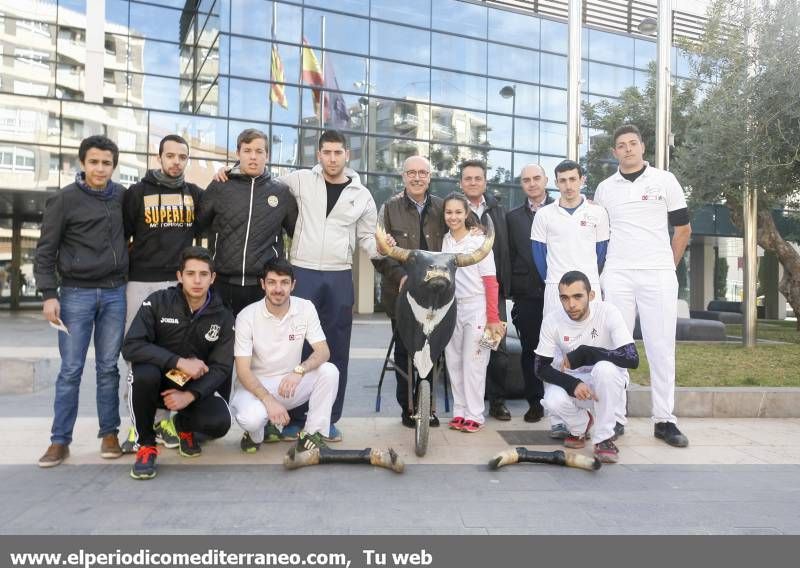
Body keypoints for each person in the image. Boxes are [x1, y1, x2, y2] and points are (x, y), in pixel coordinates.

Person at [594, 124, 692, 447]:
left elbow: (683, 230)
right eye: (621, 145)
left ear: (642, 147)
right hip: (618, 274)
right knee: (617, 346)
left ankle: (665, 420)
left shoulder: (665, 181)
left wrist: (668, 268)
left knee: (661, 348)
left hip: (658, 274)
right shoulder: (604, 189)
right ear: (614, 152)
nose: (628, 149)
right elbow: (600, 236)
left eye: (632, 143)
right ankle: (615, 417)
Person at [34, 135, 128, 468]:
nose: (100, 168)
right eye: (94, 162)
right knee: (71, 370)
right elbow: (45, 251)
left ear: (113, 166)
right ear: (82, 163)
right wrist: (48, 294)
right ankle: (59, 441)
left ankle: (110, 434)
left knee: (108, 369)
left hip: (116, 293)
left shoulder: (121, 197)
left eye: (106, 163)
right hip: (75, 294)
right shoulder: (64, 199)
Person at [119, 134, 204, 454]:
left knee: (175, 353)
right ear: (159, 157)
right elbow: (123, 235)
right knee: (137, 353)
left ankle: (166, 419)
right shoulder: (136, 193)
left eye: (182, 157)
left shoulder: (194, 195)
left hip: (176, 285)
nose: (176, 162)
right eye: (170, 156)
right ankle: (137, 424)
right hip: (140, 282)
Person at [122, 247, 234, 480]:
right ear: (179, 276)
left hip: (190, 386)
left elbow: (222, 367)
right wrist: (178, 361)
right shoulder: (158, 302)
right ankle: (146, 445)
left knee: (220, 422)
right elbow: (131, 346)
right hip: (157, 381)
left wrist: (190, 396)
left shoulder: (222, 316)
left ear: (212, 278)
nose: (197, 280)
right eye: (190, 273)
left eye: (203, 274)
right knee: (143, 373)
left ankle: (183, 426)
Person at [230, 258, 339, 454]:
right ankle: (254, 433)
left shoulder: (305, 308)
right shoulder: (246, 316)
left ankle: (311, 435)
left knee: (329, 371)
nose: (278, 289)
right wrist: (268, 401)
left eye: (284, 282)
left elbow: (323, 351)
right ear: (263, 284)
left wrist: (299, 370)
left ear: (293, 285)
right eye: (272, 282)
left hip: (288, 385)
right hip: (254, 387)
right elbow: (243, 371)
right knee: (251, 419)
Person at [535, 271, 638, 463]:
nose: (571, 305)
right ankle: (580, 427)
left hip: (608, 383)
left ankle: (604, 438)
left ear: (591, 296)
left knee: (604, 369)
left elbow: (632, 358)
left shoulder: (608, 312)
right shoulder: (552, 320)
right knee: (551, 400)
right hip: (578, 384)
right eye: (564, 298)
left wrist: (587, 353)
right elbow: (540, 367)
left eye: (577, 296)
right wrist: (572, 384)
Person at [373, 156, 446, 428]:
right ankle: (409, 408)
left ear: (430, 176)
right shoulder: (389, 208)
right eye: (411, 172)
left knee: (432, 352)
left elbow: (462, 236)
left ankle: (427, 408)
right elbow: (378, 253)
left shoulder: (443, 207)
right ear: (403, 176)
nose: (417, 177)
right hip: (401, 297)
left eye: (422, 172)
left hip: (436, 298)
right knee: (405, 352)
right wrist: (401, 276)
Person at [197, 128, 297, 317]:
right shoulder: (220, 185)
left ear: (267, 155)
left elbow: (297, 235)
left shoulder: (281, 193)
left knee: (260, 345)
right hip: (222, 284)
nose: (253, 157)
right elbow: (199, 225)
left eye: (259, 152)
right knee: (223, 344)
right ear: (238, 153)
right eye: (247, 150)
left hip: (262, 287)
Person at [441, 193, 505, 433]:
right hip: (451, 308)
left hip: (477, 308)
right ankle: (459, 411)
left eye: (458, 212)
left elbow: (491, 282)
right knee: (454, 361)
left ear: (467, 214)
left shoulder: (479, 240)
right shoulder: (445, 241)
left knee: (474, 362)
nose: (453, 217)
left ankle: (475, 414)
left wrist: (493, 317)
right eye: (449, 212)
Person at [459, 160, 512, 421]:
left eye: (477, 178)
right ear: (461, 183)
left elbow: (506, 249)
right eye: (467, 178)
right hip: (462, 294)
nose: (472, 182)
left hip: (492, 292)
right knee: (465, 352)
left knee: (496, 348)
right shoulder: (452, 209)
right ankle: (469, 406)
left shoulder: (497, 210)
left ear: (484, 182)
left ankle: (497, 402)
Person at [506, 164, 554, 423]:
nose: (532, 183)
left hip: (559, 292)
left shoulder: (562, 210)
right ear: (522, 184)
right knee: (530, 350)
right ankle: (535, 402)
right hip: (527, 295)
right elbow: (509, 255)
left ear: (546, 180)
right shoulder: (512, 218)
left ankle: (560, 399)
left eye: (537, 178)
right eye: (526, 180)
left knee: (560, 348)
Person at [531, 160, 609, 316]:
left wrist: (587, 276)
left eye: (573, 179)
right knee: (556, 337)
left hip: (589, 287)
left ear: (582, 180)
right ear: (556, 183)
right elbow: (539, 256)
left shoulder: (598, 213)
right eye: (563, 180)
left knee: (592, 338)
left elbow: (601, 253)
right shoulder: (543, 214)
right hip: (556, 288)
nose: (568, 186)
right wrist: (556, 280)